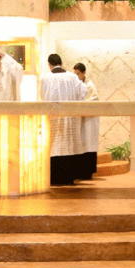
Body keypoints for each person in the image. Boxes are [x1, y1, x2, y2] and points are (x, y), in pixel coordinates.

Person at [40, 53, 88, 186]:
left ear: (49, 64)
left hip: (54, 116)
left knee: (55, 146)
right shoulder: (72, 77)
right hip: (70, 117)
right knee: (69, 145)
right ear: (61, 63)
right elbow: (84, 90)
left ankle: (54, 178)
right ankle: (69, 178)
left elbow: (43, 96)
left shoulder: (45, 78)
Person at [74, 62, 99, 180]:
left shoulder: (90, 85)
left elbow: (94, 99)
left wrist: (81, 105)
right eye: (75, 73)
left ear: (84, 73)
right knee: (81, 145)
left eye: (78, 73)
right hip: (80, 117)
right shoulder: (77, 84)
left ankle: (88, 172)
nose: (76, 76)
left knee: (89, 144)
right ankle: (80, 171)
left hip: (89, 119)